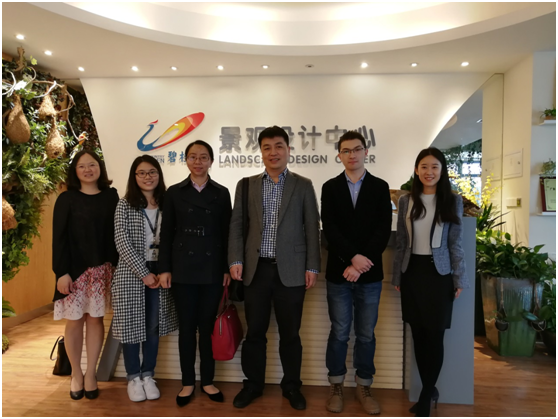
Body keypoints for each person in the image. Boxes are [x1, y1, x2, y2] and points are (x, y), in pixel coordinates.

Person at [228, 126, 321, 411]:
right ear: (261, 152)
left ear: (288, 150)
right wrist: (235, 260)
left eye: (279, 146)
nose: (273, 152)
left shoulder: (303, 185)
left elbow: (312, 227)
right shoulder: (246, 185)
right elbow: (237, 226)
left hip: (291, 270)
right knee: (255, 332)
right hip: (256, 270)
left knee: (290, 334)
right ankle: (252, 385)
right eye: (267, 147)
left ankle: (291, 386)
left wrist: (313, 266)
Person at [392, 147, 468, 417]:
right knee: (418, 335)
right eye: (424, 166)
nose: (429, 172)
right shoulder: (406, 201)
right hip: (412, 272)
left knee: (435, 336)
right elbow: (401, 242)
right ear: (416, 170)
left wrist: (459, 278)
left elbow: (455, 243)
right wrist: (397, 275)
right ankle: (429, 389)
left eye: (435, 167)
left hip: (440, 275)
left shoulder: (452, 200)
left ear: (442, 170)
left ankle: (426, 394)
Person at [321, 131, 392, 415]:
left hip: (370, 275)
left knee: (365, 334)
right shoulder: (329, 187)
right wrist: (351, 259)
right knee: (339, 332)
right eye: (346, 150)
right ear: (339, 155)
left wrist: (362, 263)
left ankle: (364, 385)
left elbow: (382, 230)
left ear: (366, 152)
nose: (352, 155)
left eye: (357, 149)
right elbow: (330, 229)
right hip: (339, 273)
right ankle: (336, 385)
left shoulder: (380, 186)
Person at [158, 140, 232, 407]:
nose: (198, 162)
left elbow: (228, 234)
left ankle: (208, 381)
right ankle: (188, 382)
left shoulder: (221, 192)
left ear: (211, 160)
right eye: (192, 157)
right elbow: (166, 233)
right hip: (182, 269)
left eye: (203, 157)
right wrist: (164, 268)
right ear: (186, 160)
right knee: (187, 328)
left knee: (207, 327)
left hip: (212, 270)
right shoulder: (174, 192)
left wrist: (226, 268)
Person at [52, 149, 119, 400]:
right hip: (74, 272)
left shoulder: (111, 196)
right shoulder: (66, 198)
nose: (88, 170)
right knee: (74, 321)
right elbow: (58, 239)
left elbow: (116, 234)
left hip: (102, 270)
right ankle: (76, 374)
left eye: (92, 165)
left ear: (100, 167)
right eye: (82, 166)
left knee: (95, 320)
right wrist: (61, 272)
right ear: (75, 171)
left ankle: (91, 373)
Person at [111, 155, 178, 402]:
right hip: (132, 272)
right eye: (141, 173)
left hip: (162, 270)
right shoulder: (124, 204)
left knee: (153, 326)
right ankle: (133, 377)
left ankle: (148, 374)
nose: (147, 177)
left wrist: (163, 270)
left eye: (152, 172)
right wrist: (144, 273)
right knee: (131, 327)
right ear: (134, 176)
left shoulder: (168, 202)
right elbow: (122, 241)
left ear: (159, 174)